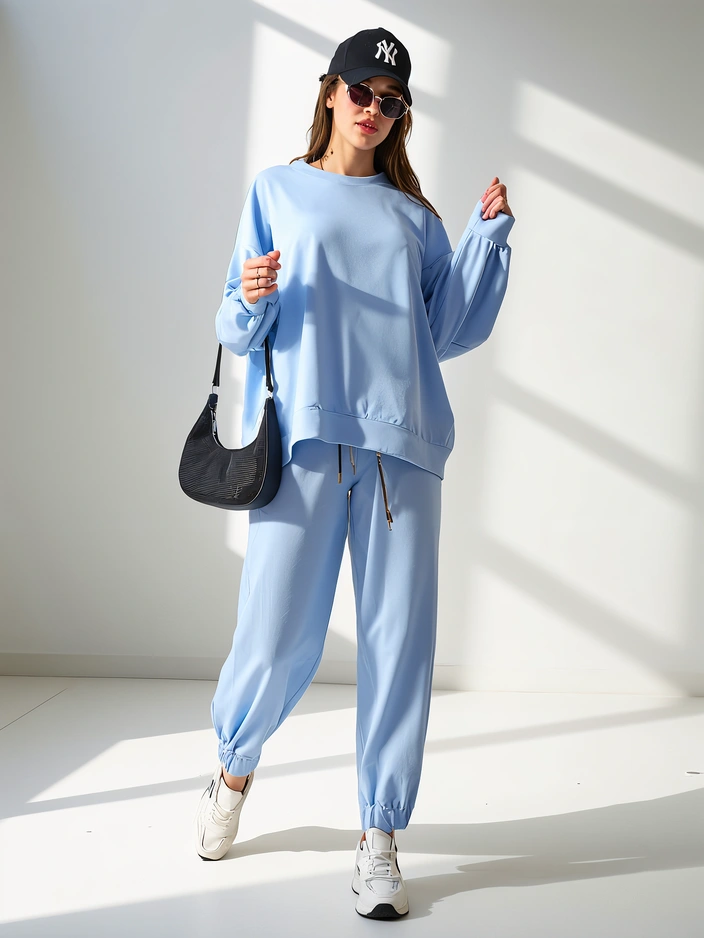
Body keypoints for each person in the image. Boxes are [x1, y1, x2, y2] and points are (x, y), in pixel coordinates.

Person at [193, 25, 515, 920]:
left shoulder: (416, 219)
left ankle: (380, 836)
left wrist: (486, 240)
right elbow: (235, 325)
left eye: (392, 101)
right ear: (331, 90)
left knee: (397, 647)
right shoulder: (277, 190)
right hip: (304, 442)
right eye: (362, 91)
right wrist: (248, 297)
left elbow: (447, 330)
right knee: (275, 636)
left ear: (401, 115)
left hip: (403, 452)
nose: (374, 109)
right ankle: (231, 771)